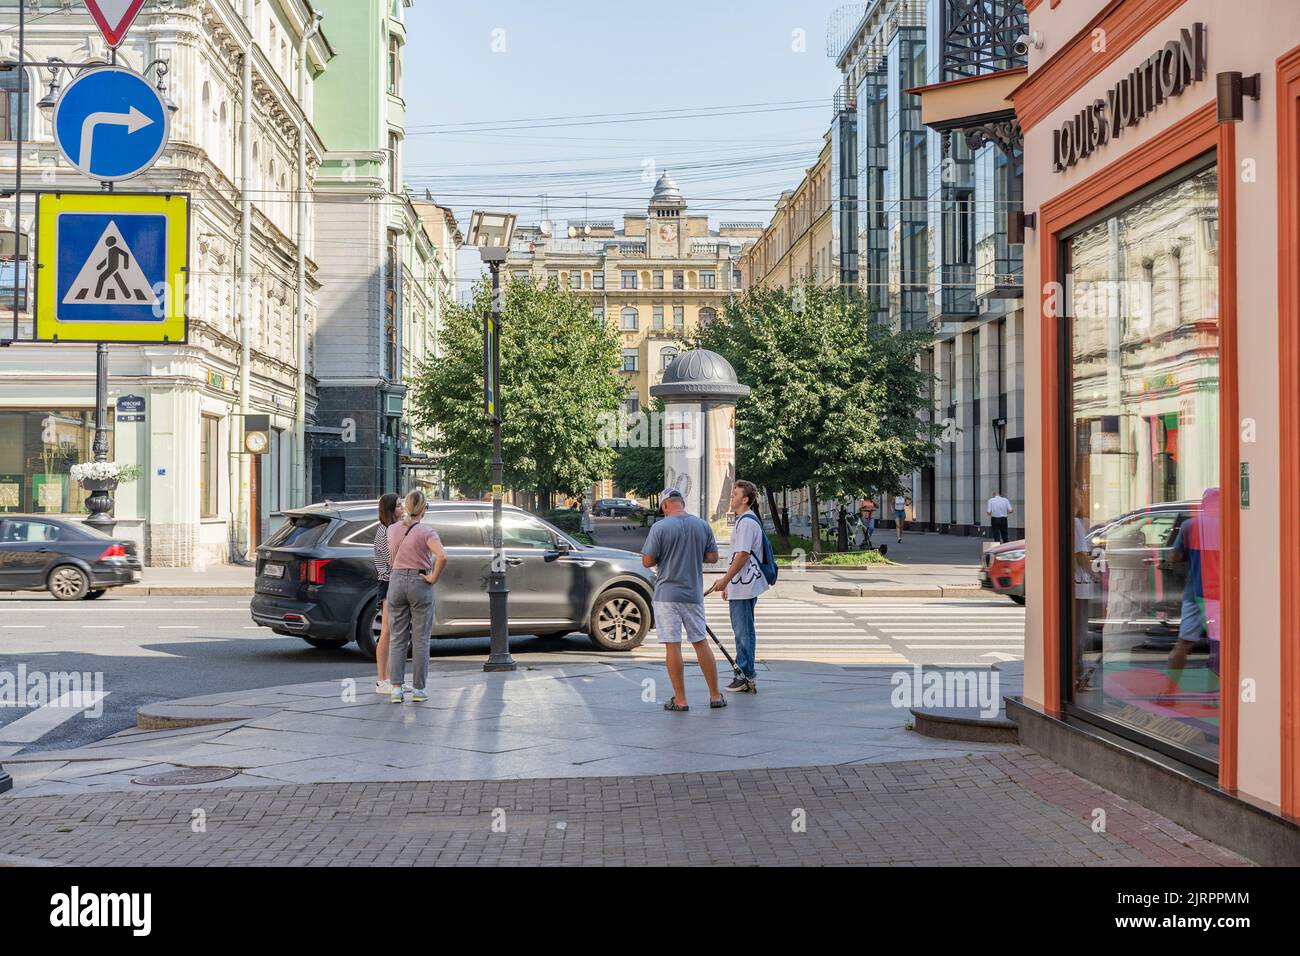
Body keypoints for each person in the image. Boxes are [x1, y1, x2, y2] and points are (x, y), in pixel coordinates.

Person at [641, 486, 725, 711]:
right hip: (693, 594)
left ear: (665, 505)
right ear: (682, 503)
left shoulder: (660, 527)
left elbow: (647, 561)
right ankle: (715, 696)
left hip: (667, 595)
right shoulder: (702, 525)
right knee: (700, 642)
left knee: (673, 645)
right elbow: (713, 557)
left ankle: (681, 699)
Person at [385, 490, 447, 704]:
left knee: (397, 637)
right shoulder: (427, 531)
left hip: (396, 581)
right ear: (424, 509)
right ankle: (419, 689)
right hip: (420, 582)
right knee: (420, 639)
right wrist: (433, 577)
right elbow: (442, 555)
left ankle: (396, 689)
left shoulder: (391, 530)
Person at [709, 479, 768, 692]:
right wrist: (728, 584)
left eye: (735, 494)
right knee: (742, 630)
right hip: (740, 584)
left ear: (745, 499)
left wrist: (725, 580)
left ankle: (745, 674)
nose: (731, 497)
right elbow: (738, 555)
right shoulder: (744, 520)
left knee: (743, 632)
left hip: (745, 585)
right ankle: (744, 673)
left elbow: (742, 555)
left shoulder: (747, 522)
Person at [373, 493, 401, 695]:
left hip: (392, 581)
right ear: (390, 510)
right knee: (387, 632)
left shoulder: (391, 529)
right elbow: (390, 560)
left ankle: (390, 679)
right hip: (389, 582)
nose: (402, 509)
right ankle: (382, 679)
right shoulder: (385, 531)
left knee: (392, 633)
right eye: (399, 506)